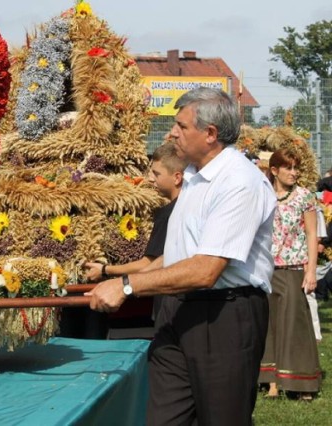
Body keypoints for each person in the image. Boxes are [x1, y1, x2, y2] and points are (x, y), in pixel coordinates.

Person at [86, 87, 275, 425]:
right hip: (177, 313)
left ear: (210, 134)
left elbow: (205, 270)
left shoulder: (239, 182)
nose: (171, 132)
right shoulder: (191, 178)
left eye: (180, 126)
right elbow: (178, 256)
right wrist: (118, 279)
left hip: (224, 317)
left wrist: (128, 287)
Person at [84, 143, 186, 318]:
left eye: (156, 173)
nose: (150, 178)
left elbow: (149, 263)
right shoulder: (185, 208)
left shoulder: (170, 214)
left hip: (169, 306)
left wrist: (106, 271)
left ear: (177, 178)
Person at [259, 148, 321, 400]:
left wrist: (311, 271)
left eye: (296, 168)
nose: (294, 173)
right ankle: (271, 381)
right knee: (268, 325)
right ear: (274, 170)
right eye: (289, 168)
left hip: (293, 268)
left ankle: (302, 382)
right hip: (265, 269)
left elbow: (311, 234)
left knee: (294, 325)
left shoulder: (305, 197)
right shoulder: (262, 195)